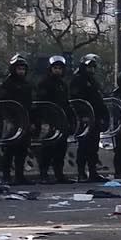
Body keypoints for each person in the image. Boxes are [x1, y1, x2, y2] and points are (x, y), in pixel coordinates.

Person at [34, 54, 71, 183]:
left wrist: (70, 120)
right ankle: (43, 174)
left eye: (60, 68)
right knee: (47, 148)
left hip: (61, 120)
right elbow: (41, 103)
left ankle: (59, 174)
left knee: (61, 149)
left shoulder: (63, 84)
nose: (57, 70)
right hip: (49, 121)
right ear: (50, 69)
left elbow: (66, 103)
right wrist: (42, 121)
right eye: (55, 68)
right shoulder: (44, 83)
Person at [0, 54, 33, 184]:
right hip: (12, 121)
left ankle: (20, 175)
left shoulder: (27, 85)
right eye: (19, 69)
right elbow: (3, 103)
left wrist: (32, 121)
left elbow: (30, 104)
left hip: (25, 120)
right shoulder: (7, 84)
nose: (21, 71)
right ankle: (6, 176)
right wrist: (8, 120)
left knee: (22, 150)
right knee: (9, 149)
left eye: (23, 69)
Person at [71, 54, 106, 182]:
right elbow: (76, 101)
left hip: (95, 118)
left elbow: (98, 101)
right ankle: (81, 173)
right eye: (89, 67)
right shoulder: (78, 80)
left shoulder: (93, 81)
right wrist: (83, 116)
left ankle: (93, 172)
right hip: (84, 119)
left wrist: (102, 116)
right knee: (83, 146)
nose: (91, 70)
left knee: (93, 147)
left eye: (93, 67)